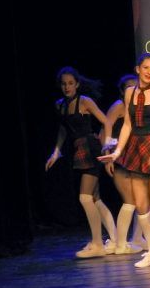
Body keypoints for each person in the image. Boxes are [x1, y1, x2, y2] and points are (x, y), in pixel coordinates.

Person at [99, 53, 150, 267]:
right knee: (141, 205)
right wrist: (117, 152)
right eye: (146, 67)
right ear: (138, 69)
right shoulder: (130, 92)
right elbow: (127, 125)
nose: (149, 72)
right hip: (135, 149)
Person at [45, 66, 117, 258]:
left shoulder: (84, 101)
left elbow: (106, 122)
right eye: (64, 84)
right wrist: (56, 152)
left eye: (70, 83)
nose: (67, 87)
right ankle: (115, 239)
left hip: (91, 149)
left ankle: (97, 243)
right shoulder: (60, 105)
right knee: (95, 198)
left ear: (77, 84)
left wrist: (107, 147)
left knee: (85, 198)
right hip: (78, 150)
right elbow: (63, 129)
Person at [103, 74, 146, 254]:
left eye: (135, 86)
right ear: (122, 91)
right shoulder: (119, 106)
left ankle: (137, 238)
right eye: (128, 87)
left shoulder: (136, 107)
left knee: (141, 201)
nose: (133, 90)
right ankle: (121, 243)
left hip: (133, 157)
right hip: (119, 158)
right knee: (130, 201)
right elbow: (105, 129)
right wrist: (108, 156)